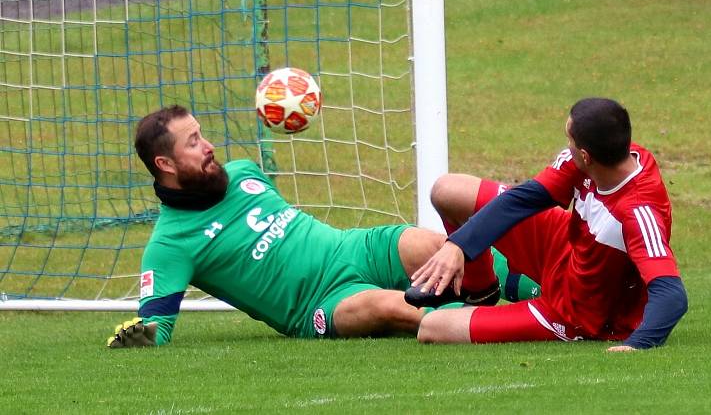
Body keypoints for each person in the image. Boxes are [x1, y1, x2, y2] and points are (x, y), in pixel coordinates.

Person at [107, 105, 537, 348]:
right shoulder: (169, 244)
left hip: (355, 248)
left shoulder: (243, 172)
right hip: (325, 301)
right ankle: (508, 323)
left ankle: (544, 288)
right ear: (164, 164)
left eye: (202, 134)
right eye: (194, 142)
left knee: (432, 245)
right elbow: (155, 328)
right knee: (389, 307)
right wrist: (138, 336)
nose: (209, 146)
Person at [405, 97, 688, 351]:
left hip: (574, 311)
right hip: (563, 245)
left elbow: (671, 294)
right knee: (447, 190)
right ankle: (479, 291)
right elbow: (523, 200)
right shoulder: (603, 156)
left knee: (432, 328)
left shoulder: (638, 212)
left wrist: (638, 344)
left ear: (586, 155)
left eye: (570, 140)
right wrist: (458, 246)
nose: (567, 147)